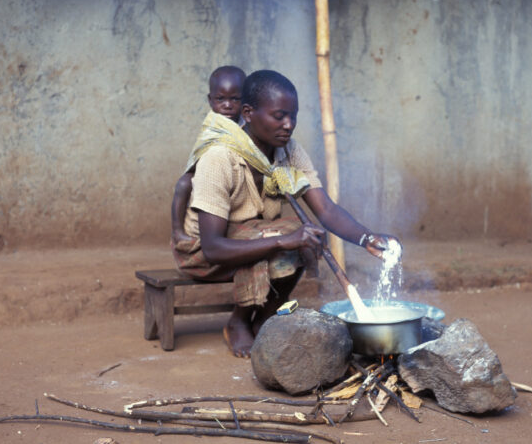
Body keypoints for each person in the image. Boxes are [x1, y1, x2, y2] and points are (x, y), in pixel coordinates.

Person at [172, 69, 397, 358]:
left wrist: (366, 237)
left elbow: (325, 209)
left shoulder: (288, 151)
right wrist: (283, 241)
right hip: (203, 252)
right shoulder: (219, 157)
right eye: (279, 116)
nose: (288, 125)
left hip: (252, 236)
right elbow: (213, 247)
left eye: (293, 116)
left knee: (308, 235)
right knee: (283, 235)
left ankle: (265, 316)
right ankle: (239, 321)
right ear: (249, 113)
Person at [170, 66, 246, 248]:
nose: (227, 105)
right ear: (210, 100)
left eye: (235, 99)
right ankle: (177, 231)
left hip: (235, 174)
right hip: (207, 175)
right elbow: (203, 151)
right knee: (183, 184)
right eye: (221, 99)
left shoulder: (248, 123)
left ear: (245, 100)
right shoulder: (212, 124)